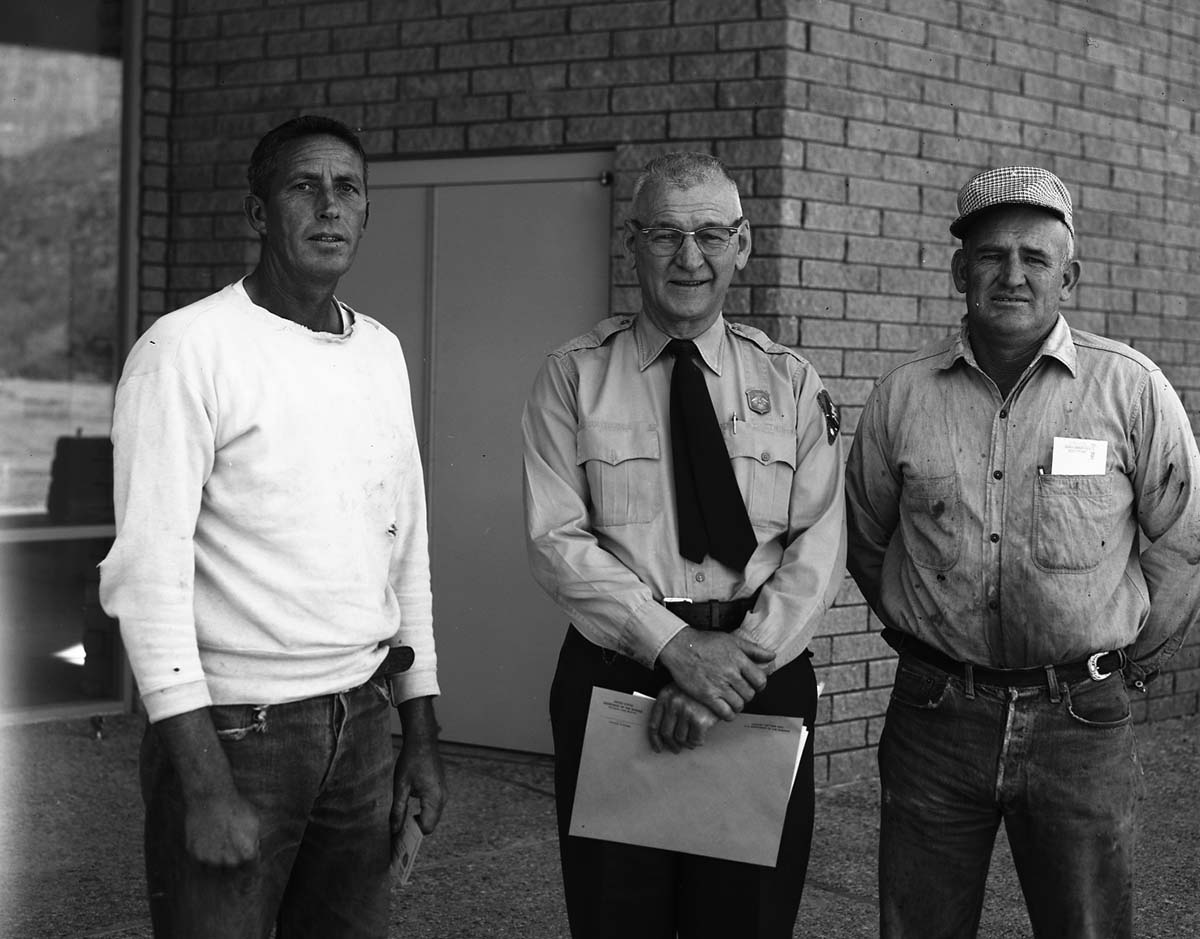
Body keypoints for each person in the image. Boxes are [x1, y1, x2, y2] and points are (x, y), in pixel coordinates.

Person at [99, 115, 446, 939]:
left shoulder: (381, 352)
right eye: (304, 186)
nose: (329, 206)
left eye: (348, 189)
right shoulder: (186, 349)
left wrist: (419, 730)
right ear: (259, 214)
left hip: (361, 726)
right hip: (234, 729)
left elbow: (407, 552)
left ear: (366, 213)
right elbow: (147, 579)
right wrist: (206, 786)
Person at [845, 165, 1200, 939]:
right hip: (936, 719)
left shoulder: (1130, 389)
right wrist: (933, 638)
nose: (1012, 274)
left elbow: (1183, 546)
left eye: (1035, 259)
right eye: (991, 255)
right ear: (958, 269)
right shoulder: (902, 397)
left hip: (1081, 723)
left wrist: (1121, 667)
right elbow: (869, 542)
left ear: (1067, 276)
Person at [521, 151, 846, 939]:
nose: (688, 256)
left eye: (710, 234)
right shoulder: (572, 377)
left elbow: (819, 545)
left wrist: (722, 671)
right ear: (632, 243)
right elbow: (557, 539)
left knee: (744, 920)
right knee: (615, 916)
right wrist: (675, 649)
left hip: (756, 680)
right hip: (617, 676)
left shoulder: (796, 383)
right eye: (666, 234)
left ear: (744, 245)